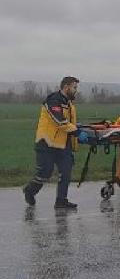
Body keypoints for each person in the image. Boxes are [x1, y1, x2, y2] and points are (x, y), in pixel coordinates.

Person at [23, 76, 89, 209]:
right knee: (45, 173)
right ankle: (30, 190)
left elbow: (69, 122)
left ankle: (61, 201)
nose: (76, 91)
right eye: (74, 87)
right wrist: (77, 132)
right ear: (66, 87)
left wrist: (79, 127)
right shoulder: (53, 100)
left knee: (66, 172)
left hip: (63, 144)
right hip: (47, 143)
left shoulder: (69, 103)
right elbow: (59, 121)